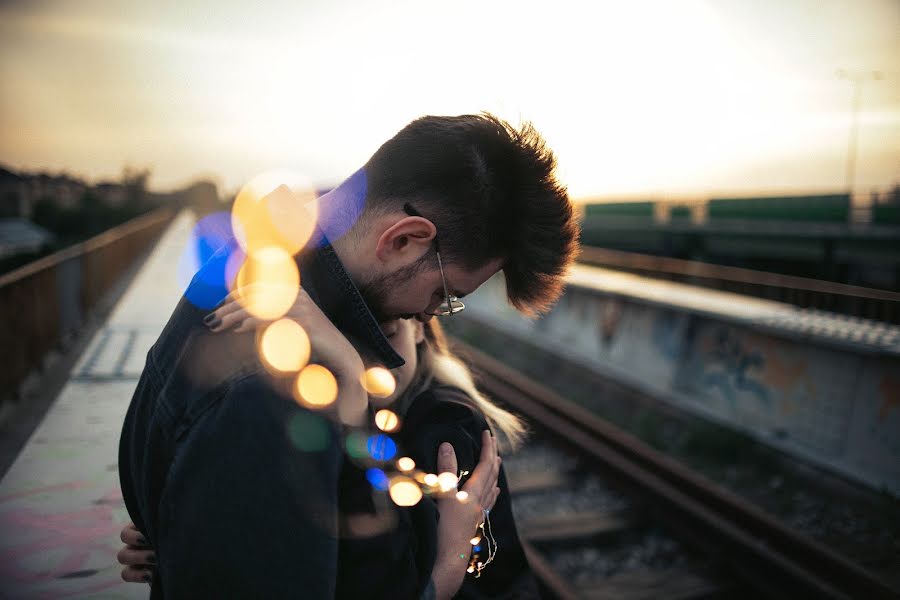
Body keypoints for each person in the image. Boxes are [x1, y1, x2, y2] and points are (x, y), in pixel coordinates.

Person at [119, 112, 578, 596]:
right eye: (445, 293)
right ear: (403, 239)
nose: (432, 315)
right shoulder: (282, 385)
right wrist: (448, 565)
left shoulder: (239, 268)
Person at [119, 317, 537, 599]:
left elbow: (376, 575)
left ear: (422, 326)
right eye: (347, 346)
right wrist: (188, 535)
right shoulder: (336, 416)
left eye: (386, 336)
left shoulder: (447, 426)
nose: (366, 366)